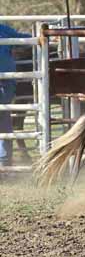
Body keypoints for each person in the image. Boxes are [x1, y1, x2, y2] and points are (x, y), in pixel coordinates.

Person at [0, 23, 31, 167]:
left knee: (3, 114)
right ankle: (4, 158)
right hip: (7, 78)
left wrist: (39, 38)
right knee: (3, 116)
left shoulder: (3, 29)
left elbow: (21, 39)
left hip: (6, 80)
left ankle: (4, 159)